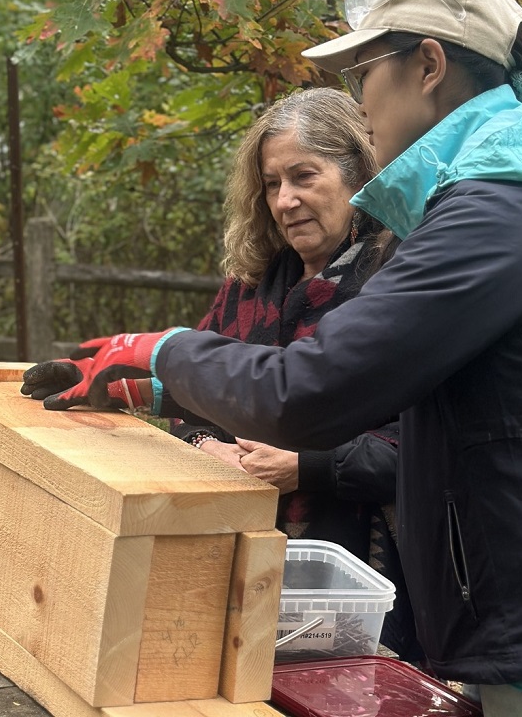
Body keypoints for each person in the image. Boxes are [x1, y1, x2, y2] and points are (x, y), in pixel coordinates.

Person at [22, 0, 522, 716]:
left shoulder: (493, 219)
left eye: (365, 69)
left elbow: (306, 391)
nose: (358, 98)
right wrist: (173, 386)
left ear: (427, 65)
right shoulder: (501, 206)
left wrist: (162, 349)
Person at [22, 87, 422, 662]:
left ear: (362, 170)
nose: (286, 200)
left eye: (304, 177)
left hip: (366, 578)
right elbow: (202, 397)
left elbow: (427, 440)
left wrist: (309, 469)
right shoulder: (253, 284)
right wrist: (185, 431)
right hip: (236, 563)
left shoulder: (398, 279)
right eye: (271, 183)